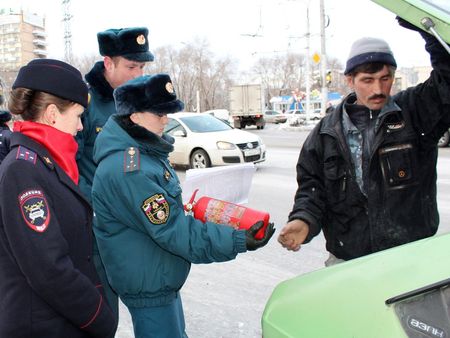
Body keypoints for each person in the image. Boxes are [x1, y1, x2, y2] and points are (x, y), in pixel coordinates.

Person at [91, 73, 275, 338]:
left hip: (156, 276)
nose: (166, 120)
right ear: (134, 116)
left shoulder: (145, 152)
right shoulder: (131, 169)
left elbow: (165, 214)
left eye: (167, 112)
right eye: (159, 113)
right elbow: (172, 230)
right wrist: (236, 240)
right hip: (149, 285)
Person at [278, 17, 450, 265]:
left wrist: (431, 33)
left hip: (412, 259)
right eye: (367, 81)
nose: (378, 89)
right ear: (350, 80)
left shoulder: (415, 113)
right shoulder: (325, 135)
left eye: (385, 78)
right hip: (349, 264)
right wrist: (303, 220)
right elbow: (312, 191)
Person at [0, 59, 117, 337]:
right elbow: (49, 269)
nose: (80, 127)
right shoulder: (23, 170)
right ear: (53, 114)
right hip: (42, 326)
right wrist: (100, 317)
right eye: (77, 116)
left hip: (61, 320)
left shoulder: (46, 162)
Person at [76, 26, 154, 320]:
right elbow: (69, 163)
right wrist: (96, 206)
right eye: (131, 66)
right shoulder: (84, 102)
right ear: (108, 63)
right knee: (105, 312)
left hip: (135, 219)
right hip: (100, 225)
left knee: (148, 299)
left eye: (142, 66)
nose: (139, 73)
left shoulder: (138, 99)